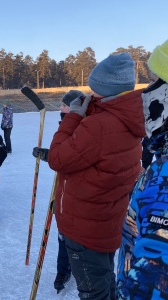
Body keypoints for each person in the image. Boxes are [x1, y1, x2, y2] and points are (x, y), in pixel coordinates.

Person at [47, 53, 146, 300]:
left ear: (103, 88)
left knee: (94, 292)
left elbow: (57, 158)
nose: (90, 93)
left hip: (84, 227)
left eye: (94, 87)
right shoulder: (128, 117)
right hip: (106, 222)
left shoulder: (99, 125)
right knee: (104, 281)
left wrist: (72, 117)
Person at [117, 40, 168, 299]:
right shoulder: (160, 162)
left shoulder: (164, 178)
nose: (146, 92)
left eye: (152, 81)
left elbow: (152, 279)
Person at [33, 90, 84, 293]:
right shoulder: (65, 125)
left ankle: (77, 269)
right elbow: (62, 155)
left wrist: (51, 156)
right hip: (64, 190)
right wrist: (49, 154)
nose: (60, 108)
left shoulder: (82, 127)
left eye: (64, 105)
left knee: (75, 235)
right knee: (63, 234)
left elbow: (73, 157)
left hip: (78, 190)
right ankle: (63, 270)